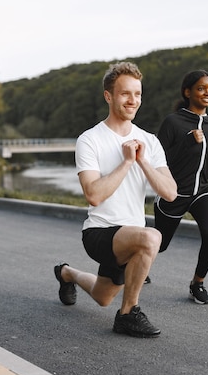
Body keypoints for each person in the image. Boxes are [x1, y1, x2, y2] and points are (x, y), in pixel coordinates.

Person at [54, 62, 177, 338]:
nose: (133, 100)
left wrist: (142, 161)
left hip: (129, 237)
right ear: (109, 96)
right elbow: (93, 195)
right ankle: (127, 315)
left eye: (137, 94)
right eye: (125, 94)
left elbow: (170, 193)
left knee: (102, 296)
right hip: (99, 234)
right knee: (152, 237)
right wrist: (125, 163)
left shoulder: (149, 141)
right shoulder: (90, 140)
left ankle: (66, 274)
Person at [153, 70, 208, 304]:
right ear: (188, 92)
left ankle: (197, 284)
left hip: (203, 192)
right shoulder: (173, 122)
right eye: (201, 88)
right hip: (173, 192)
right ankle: (133, 263)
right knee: (160, 245)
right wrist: (187, 142)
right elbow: (159, 163)